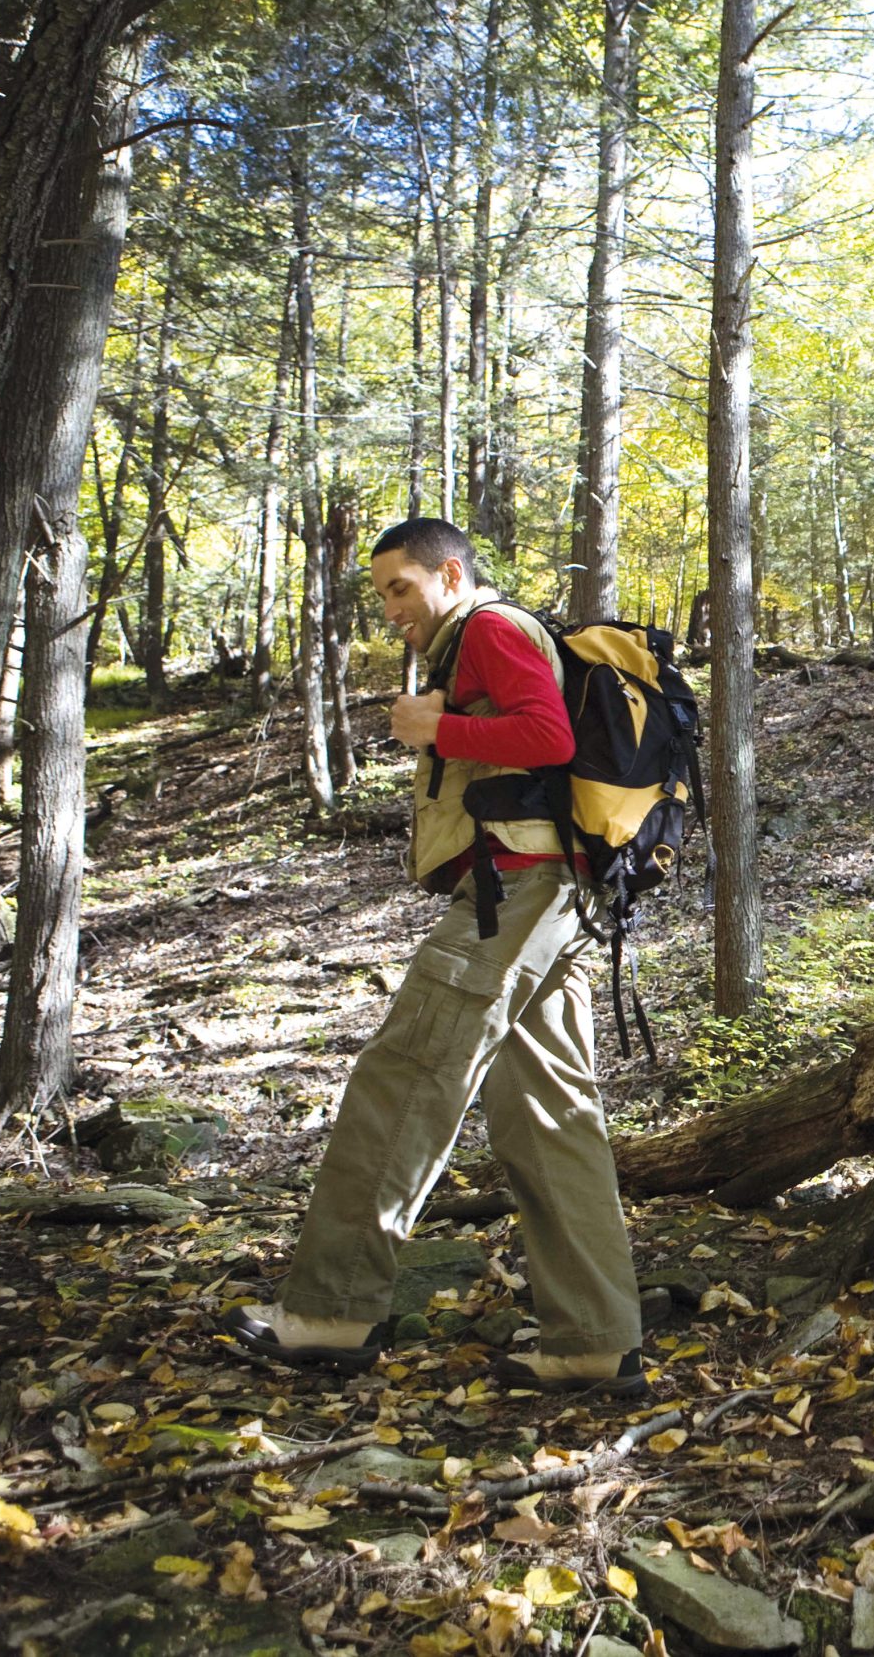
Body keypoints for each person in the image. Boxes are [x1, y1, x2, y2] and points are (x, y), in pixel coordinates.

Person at [226, 519, 647, 1394]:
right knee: (549, 1115)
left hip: (514, 891)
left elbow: (548, 737)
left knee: (406, 1074)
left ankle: (330, 1311)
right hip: (549, 896)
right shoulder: (486, 633)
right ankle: (595, 1339)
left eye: (399, 588)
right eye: (382, 594)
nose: (391, 610)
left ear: (449, 573)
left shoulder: (490, 629)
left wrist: (439, 722)